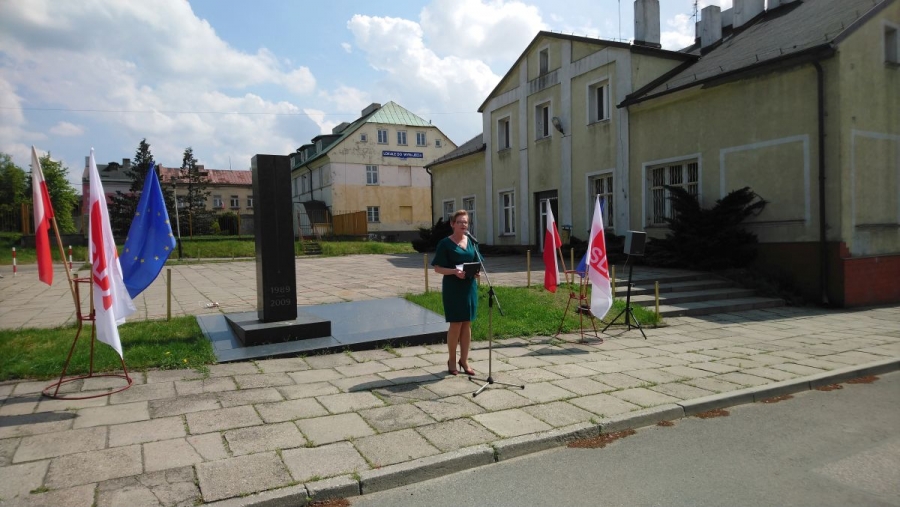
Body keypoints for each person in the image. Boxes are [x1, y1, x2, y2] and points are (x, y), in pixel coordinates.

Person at [431, 210, 478, 376]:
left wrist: (476, 272)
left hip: (469, 287)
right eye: (460, 222)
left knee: (467, 323)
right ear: (452, 224)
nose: (463, 225)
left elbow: (477, 261)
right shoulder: (445, 243)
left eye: (466, 222)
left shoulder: (471, 241)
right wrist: (454, 272)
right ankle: (452, 360)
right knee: (456, 324)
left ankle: (464, 360)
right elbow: (437, 268)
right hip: (453, 288)